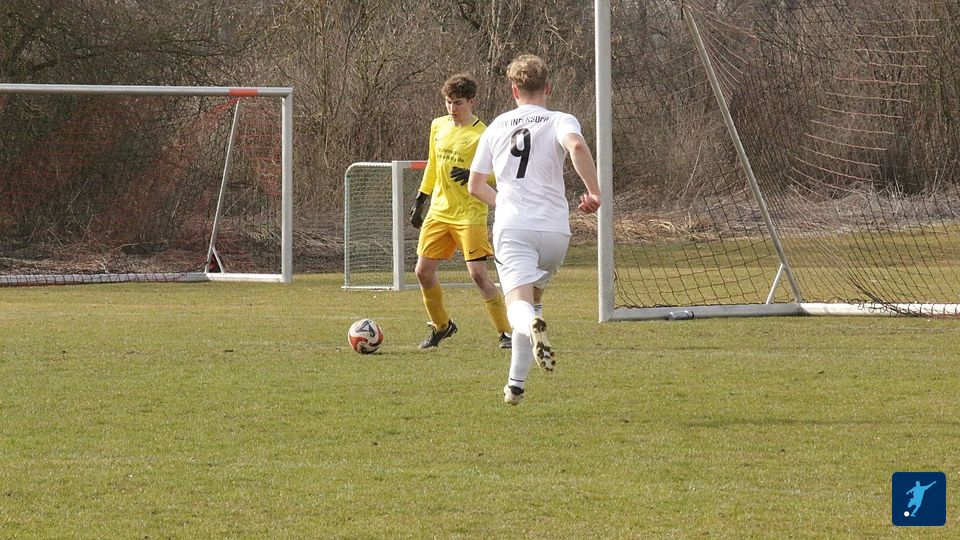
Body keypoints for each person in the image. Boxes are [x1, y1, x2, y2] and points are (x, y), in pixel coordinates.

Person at [468, 54, 601, 405]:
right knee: (534, 302)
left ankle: (529, 326)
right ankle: (515, 386)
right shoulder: (560, 119)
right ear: (548, 88)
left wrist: (504, 203)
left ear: (514, 90)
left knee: (518, 306)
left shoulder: (496, 126)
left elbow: (475, 186)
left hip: (515, 227)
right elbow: (576, 145)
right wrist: (594, 192)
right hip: (555, 232)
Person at [409, 73, 512, 350]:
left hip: (469, 215)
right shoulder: (438, 125)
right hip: (439, 212)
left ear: (471, 102)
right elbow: (433, 164)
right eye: (448, 102)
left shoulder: (484, 134)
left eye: (458, 103)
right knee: (422, 272)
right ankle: (441, 326)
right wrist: (421, 199)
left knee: (478, 275)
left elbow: (500, 171)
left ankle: (506, 333)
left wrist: (473, 174)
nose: (452, 108)